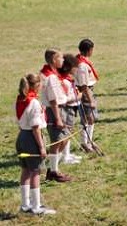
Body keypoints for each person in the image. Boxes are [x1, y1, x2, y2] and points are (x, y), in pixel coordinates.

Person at [15, 73, 56, 215]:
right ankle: (36, 206)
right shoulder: (33, 102)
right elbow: (35, 127)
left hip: (21, 137)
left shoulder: (21, 99)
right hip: (32, 138)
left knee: (25, 170)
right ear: (36, 85)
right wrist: (42, 147)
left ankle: (25, 205)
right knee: (35, 172)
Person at [39, 49, 72, 182]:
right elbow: (53, 100)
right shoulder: (51, 77)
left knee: (63, 139)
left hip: (59, 109)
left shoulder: (52, 73)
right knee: (58, 141)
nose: (63, 61)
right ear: (54, 60)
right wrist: (58, 118)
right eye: (60, 58)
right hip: (55, 111)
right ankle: (53, 171)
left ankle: (53, 168)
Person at [75, 39, 100, 154]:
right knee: (87, 118)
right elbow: (84, 85)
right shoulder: (82, 65)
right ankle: (85, 142)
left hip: (89, 91)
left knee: (91, 118)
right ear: (89, 50)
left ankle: (89, 141)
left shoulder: (83, 61)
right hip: (85, 92)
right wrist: (90, 100)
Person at [58, 54, 82, 165]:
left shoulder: (68, 79)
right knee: (66, 132)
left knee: (69, 131)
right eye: (75, 67)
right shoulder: (64, 82)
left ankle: (66, 154)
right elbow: (63, 99)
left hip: (72, 108)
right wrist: (77, 96)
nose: (76, 69)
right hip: (67, 109)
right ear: (68, 67)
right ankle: (64, 157)